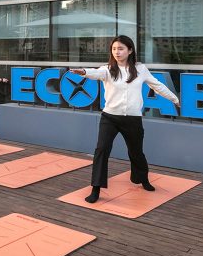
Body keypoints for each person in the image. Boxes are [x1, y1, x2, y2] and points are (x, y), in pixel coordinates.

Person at [69, 35, 181, 204]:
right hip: (110, 118)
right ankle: (96, 188)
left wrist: (174, 99)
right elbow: (95, 73)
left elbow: (157, 85)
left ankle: (142, 179)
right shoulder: (107, 69)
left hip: (133, 119)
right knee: (102, 150)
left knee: (136, 152)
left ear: (130, 50)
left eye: (120, 48)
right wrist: (84, 72)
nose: (117, 52)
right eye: (114, 49)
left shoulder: (140, 69)